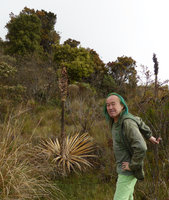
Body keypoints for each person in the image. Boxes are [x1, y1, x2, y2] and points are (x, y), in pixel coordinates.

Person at [104, 92, 161, 200]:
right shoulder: (117, 121)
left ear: (122, 106)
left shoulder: (126, 123)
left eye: (113, 104)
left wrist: (133, 165)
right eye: (108, 105)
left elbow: (141, 147)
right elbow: (138, 120)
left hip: (127, 171)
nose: (110, 107)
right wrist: (149, 136)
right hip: (124, 168)